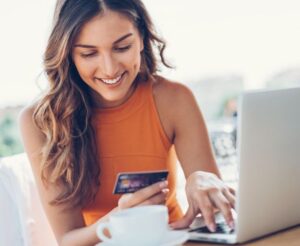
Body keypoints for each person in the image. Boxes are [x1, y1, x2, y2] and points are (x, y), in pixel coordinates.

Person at [19, 0, 236, 245]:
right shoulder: (41, 122)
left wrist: (201, 179)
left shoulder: (174, 99)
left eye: (122, 47)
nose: (109, 69)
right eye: (89, 53)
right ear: (68, 53)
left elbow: (217, 212)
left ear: (141, 38)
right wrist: (120, 220)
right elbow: (68, 239)